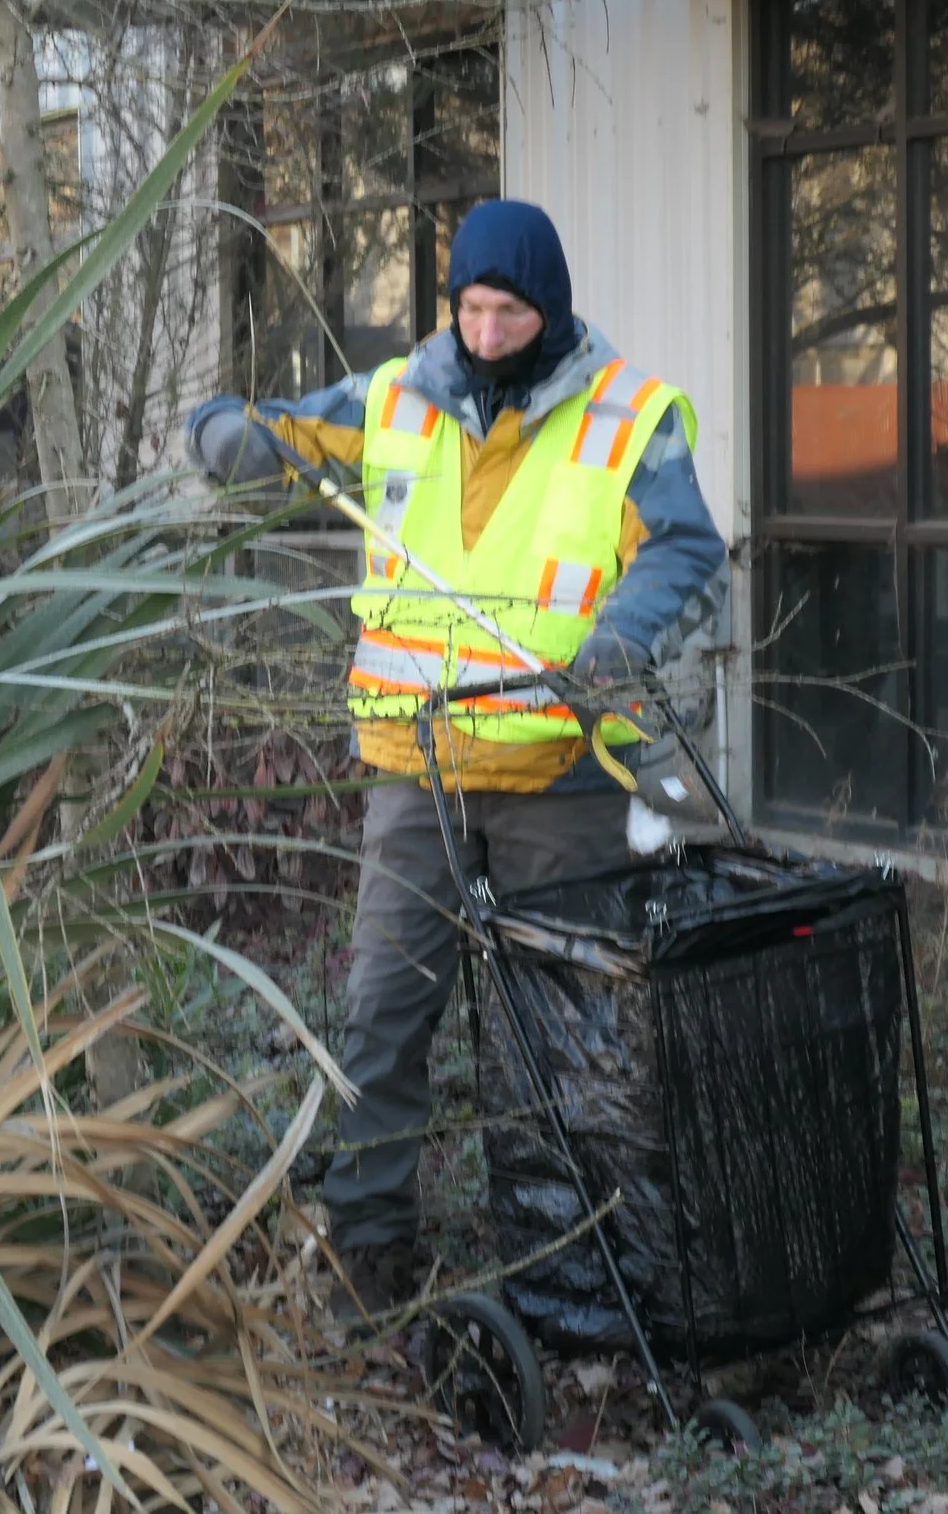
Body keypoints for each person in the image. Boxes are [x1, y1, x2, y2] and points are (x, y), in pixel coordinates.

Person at [186, 199, 728, 1315]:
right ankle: (369, 1250)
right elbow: (285, 434)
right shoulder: (398, 397)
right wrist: (222, 436)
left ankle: (569, 1258)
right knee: (383, 1014)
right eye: (471, 308)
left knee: (562, 1030)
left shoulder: (629, 416)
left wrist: (613, 646)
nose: (485, 332)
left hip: (561, 776)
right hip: (417, 768)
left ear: (551, 309)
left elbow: (683, 548)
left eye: (509, 310)